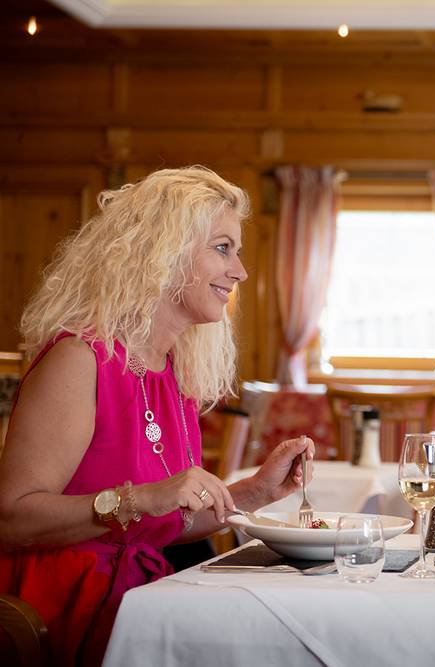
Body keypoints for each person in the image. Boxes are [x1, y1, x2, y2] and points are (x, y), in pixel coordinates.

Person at [0, 166, 315, 666]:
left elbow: (165, 522)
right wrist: (141, 497)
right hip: (62, 610)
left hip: (145, 601)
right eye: (223, 248)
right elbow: (11, 519)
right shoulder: (81, 360)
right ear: (162, 252)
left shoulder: (173, 371)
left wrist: (254, 491)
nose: (240, 271)